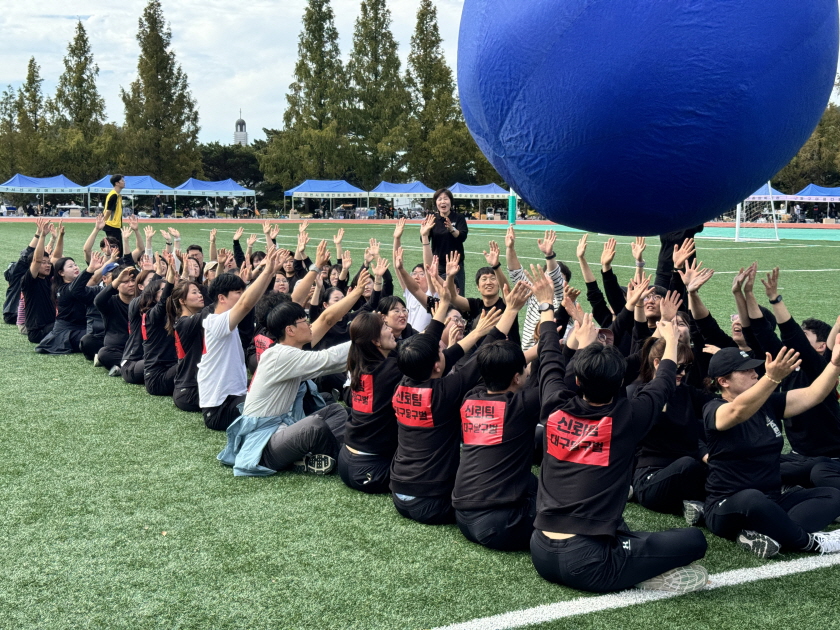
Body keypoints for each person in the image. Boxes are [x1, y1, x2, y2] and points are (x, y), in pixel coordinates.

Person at [530, 264, 708, 594]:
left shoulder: (554, 404)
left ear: (578, 380)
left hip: (540, 549)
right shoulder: (628, 418)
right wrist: (668, 331)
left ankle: (630, 562)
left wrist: (546, 305)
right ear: (620, 384)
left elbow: (550, 355)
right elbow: (666, 379)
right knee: (693, 540)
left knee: (625, 529)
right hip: (588, 561)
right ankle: (635, 572)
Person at [218, 275, 372, 477]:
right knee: (313, 426)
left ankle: (313, 456)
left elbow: (326, 325)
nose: (309, 324)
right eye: (304, 321)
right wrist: (368, 337)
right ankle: (340, 458)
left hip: (283, 429)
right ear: (290, 330)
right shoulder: (281, 355)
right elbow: (328, 360)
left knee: (334, 411)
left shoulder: (285, 350)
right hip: (263, 446)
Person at [389, 270, 504, 526]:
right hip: (432, 502)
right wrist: (511, 310)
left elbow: (431, 345)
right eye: (440, 354)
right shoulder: (443, 393)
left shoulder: (405, 382)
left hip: (398, 492)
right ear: (437, 367)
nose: (444, 353)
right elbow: (481, 357)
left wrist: (445, 308)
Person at [703, 344, 840, 558]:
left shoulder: (769, 404)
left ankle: (769, 532)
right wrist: (772, 379)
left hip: (772, 500)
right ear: (723, 381)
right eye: (745, 371)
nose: (754, 374)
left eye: (754, 369)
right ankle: (809, 543)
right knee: (752, 499)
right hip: (727, 504)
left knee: (832, 495)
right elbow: (737, 411)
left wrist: (835, 364)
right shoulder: (714, 408)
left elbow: (814, 395)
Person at [451, 283, 538, 550]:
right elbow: (557, 376)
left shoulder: (470, 396)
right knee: (567, 506)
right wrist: (552, 334)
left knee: (534, 482)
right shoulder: (521, 405)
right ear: (516, 377)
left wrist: (511, 309)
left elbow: (482, 358)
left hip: (463, 517)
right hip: (501, 525)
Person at [198, 248, 285, 431]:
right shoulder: (216, 323)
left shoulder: (224, 323)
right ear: (222, 298)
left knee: (279, 394)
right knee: (277, 407)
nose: (242, 296)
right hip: (219, 410)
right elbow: (247, 303)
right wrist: (267, 271)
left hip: (231, 401)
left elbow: (249, 300)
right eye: (238, 292)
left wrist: (270, 273)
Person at [632, 337, 713, 525]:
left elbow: (720, 405)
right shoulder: (644, 396)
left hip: (685, 470)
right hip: (651, 478)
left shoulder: (686, 392)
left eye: (687, 367)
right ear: (658, 363)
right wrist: (702, 452)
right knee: (688, 465)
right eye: (678, 367)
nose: (683, 373)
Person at [421, 189, 468, 293]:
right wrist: (426, 231)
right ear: (436, 203)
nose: (443, 202)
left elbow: (462, 237)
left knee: (457, 295)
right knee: (437, 294)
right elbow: (424, 240)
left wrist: (452, 229)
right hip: (438, 264)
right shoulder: (432, 219)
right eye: (440, 199)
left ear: (450, 202)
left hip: (455, 264)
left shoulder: (458, 218)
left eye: (446, 199)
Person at [94, 265, 138, 373]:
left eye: (133, 280)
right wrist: (118, 280)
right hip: (117, 349)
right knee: (104, 353)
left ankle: (123, 367)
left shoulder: (142, 302)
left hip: (138, 348)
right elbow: (98, 301)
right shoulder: (111, 302)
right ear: (117, 285)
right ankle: (129, 367)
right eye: (125, 282)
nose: (131, 284)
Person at [103, 175, 125, 257]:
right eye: (122, 181)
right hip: (112, 226)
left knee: (117, 250)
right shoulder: (114, 195)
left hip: (114, 226)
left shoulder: (117, 195)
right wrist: (103, 222)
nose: (124, 182)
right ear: (117, 183)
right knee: (117, 251)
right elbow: (108, 211)